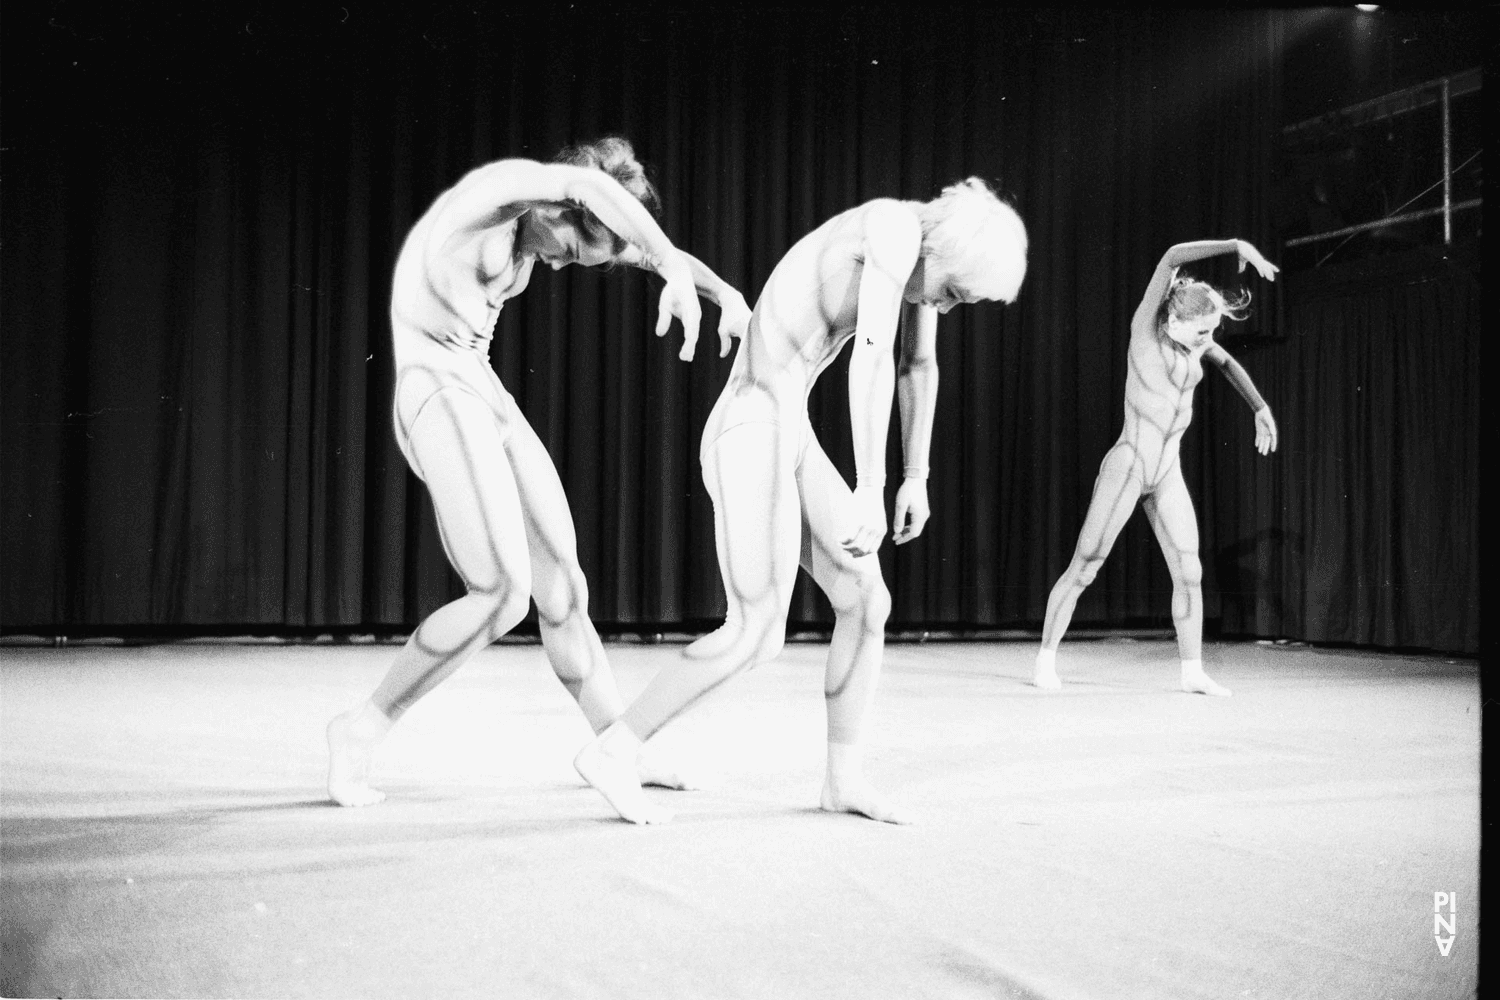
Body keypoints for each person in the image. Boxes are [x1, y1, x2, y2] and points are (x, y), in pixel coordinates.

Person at [574, 179, 1029, 824]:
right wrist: (870, 486)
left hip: (787, 426)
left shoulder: (917, 257)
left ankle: (842, 780)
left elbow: (915, 367)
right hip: (752, 422)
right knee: (756, 630)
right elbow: (870, 356)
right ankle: (614, 750)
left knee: (867, 601)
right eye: (955, 293)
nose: (951, 307)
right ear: (946, 253)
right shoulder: (894, 231)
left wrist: (916, 476)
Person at [326, 137, 752, 807]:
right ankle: (360, 728)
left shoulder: (542, 232)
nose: (559, 268)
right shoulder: (497, 195)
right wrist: (668, 261)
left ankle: (614, 742)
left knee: (562, 585)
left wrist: (723, 293)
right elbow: (594, 197)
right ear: (565, 206)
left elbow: (637, 248)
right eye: (571, 252)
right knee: (500, 593)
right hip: (435, 389)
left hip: (480, 388)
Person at [1032, 239, 1280, 697]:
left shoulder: (1197, 347)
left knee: (1190, 572)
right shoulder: (1145, 331)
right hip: (1130, 463)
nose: (1210, 341)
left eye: (1212, 331)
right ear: (1173, 319)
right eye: (1202, 332)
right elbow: (1169, 255)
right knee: (1086, 564)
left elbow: (1227, 364)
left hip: (1167, 469)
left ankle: (1192, 670)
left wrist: (1260, 407)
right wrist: (1234, 245)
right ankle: (1045, 659)